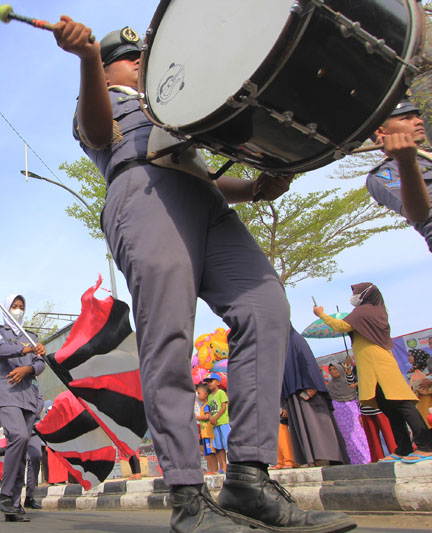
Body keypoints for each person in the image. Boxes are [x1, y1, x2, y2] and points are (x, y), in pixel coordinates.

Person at [53, 19, 355, 533]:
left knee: (266, 308)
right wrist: (85, 61)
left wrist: (256, 188)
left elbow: (197, 171)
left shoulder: (171, 100)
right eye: (131, 59)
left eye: (144, 55)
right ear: (107, 72)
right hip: (144, 197)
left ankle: (249, 478)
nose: (143, 62)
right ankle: (189, 498)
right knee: (169, 337)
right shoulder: (97, 99)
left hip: (207, 203)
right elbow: (102, 133)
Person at [314, 283, 432, 463]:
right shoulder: (372, 310)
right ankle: (403, 449)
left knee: (402, 405)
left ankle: (426, 446)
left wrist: (321, 314)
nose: (353, 297)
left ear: (366, 294)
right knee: (388, 407)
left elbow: (342, 326)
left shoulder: (365, 310)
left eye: (356, 293)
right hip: (371, 367)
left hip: (380, 365)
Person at [0, 294, 46, 521]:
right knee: (20, 437)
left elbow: (41, 362)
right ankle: (5, 495)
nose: (19, 310)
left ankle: (13, 503)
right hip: (7, 393)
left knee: (21, 449)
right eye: (14, 306)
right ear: (6, 308)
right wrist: (23, 352)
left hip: (28, 397)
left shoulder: (31, 336)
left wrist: (29, 369)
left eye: (22, 307)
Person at [366, 100, 432, 252]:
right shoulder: (384, 173)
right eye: (406, 118)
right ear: (381, 132)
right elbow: (418, 214)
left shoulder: (427, 155)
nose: (418, 121)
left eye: (417, 116)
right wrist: (406, 163)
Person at [282, 327, 349, 467]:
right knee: (303, 425)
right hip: (292, 391)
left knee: (317, 423)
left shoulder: (295, 339)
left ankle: (327, 456)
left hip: (307, 388)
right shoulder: (281, 345)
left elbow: (308, 361)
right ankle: (311, 458)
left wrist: (311, 383)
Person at [327, 363, 371, 464]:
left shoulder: (350, 382)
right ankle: (355, 460)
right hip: (340, 416)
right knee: (348, 439)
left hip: (353, 414)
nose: (333, 371)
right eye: (331, 370)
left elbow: (358, 397)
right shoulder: (330, 387)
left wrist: (361, 413)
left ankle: (368, 458)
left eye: (335, 369)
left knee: (361, 436)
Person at [204, 373, 230, 474]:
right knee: (219, 447)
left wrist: (216, 417)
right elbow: (210, 409)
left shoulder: (221, 393)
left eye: (211, 381)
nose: (209, 383)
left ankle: (229, 466)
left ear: (218, 382)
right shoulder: (210, 396)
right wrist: (211, 417)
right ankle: (223, 467)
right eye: (208, 382)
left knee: (227, 445)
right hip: (215, 424)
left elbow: (224, 407)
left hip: (223, 422)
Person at [24, 384, 45, 509]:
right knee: (17, 460)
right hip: (18, 424)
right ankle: (9, 496)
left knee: (36, 456)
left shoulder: (34, 380)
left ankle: (29, 497)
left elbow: (40, 400)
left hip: (33, 425)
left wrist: (31, 416)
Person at [195, 384, 218, 474]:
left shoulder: (208, 404)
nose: (198, 394)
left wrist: (198, 417)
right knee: (207, 452)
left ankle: (214, 469)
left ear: (205, 394)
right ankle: (211, 469)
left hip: (209, 433)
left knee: (211, 452)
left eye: (199, 393)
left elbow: (208, 416)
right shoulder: (203, 405)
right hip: (204, 432)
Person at [406, 349, 432, 428]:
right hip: (421, 403)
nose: (408, 358)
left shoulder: (427, 369)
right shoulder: (411, 372)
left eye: (410, 355)